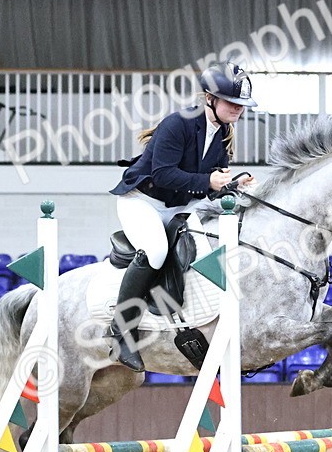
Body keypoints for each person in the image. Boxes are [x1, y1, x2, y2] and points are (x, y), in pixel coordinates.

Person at [107, 62, 257, 371]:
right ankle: (122, 330)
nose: (238, 109)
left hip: (179, 206)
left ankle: (195, 321)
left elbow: (207, 187)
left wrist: (230, 186)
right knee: (157, 250)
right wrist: (209, 182)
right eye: (232, 102)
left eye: (242, 104)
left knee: (211, 242)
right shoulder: (178, 123)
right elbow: (163, 174)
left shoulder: (223, 133)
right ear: (209, 98)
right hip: (142, 201)